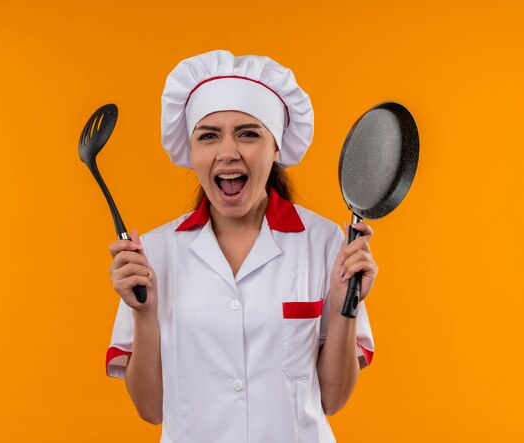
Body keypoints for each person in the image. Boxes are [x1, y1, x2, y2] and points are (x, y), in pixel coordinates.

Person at [105, 50, 378, 443]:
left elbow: (332, 400)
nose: (228, 151)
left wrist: (343, 306)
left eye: (249, 133)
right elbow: (150, 410)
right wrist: (144, 316)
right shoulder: (153, 254)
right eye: (209, 135)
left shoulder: (325, 243)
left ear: (276, 147)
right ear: (192, 151)